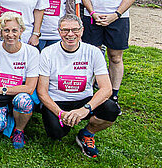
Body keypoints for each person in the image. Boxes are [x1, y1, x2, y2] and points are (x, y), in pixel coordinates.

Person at [37, 14, 119, 158]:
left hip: (84, 100)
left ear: (82, 31)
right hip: (58, 101)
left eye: (75, 30)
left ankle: (87, 133)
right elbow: (42, 92)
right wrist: (60, 114)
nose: (70, 34)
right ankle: (67, 122)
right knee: (56, 134)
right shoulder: (47, 53)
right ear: (59, 31)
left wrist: (84, 110)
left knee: (112, 109)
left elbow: (106, 89)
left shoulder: (93, 52)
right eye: (65, 30)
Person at [0, 12, 39, 149]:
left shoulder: (32, 53)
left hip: (18, 94)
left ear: (21, 31)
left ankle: (19, 130)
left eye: (14, 30)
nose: (10, 35)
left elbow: (29, 88)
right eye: (6, 30)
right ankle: (8, 114)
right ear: (0, 31)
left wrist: (1, 89)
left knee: (23, 101)